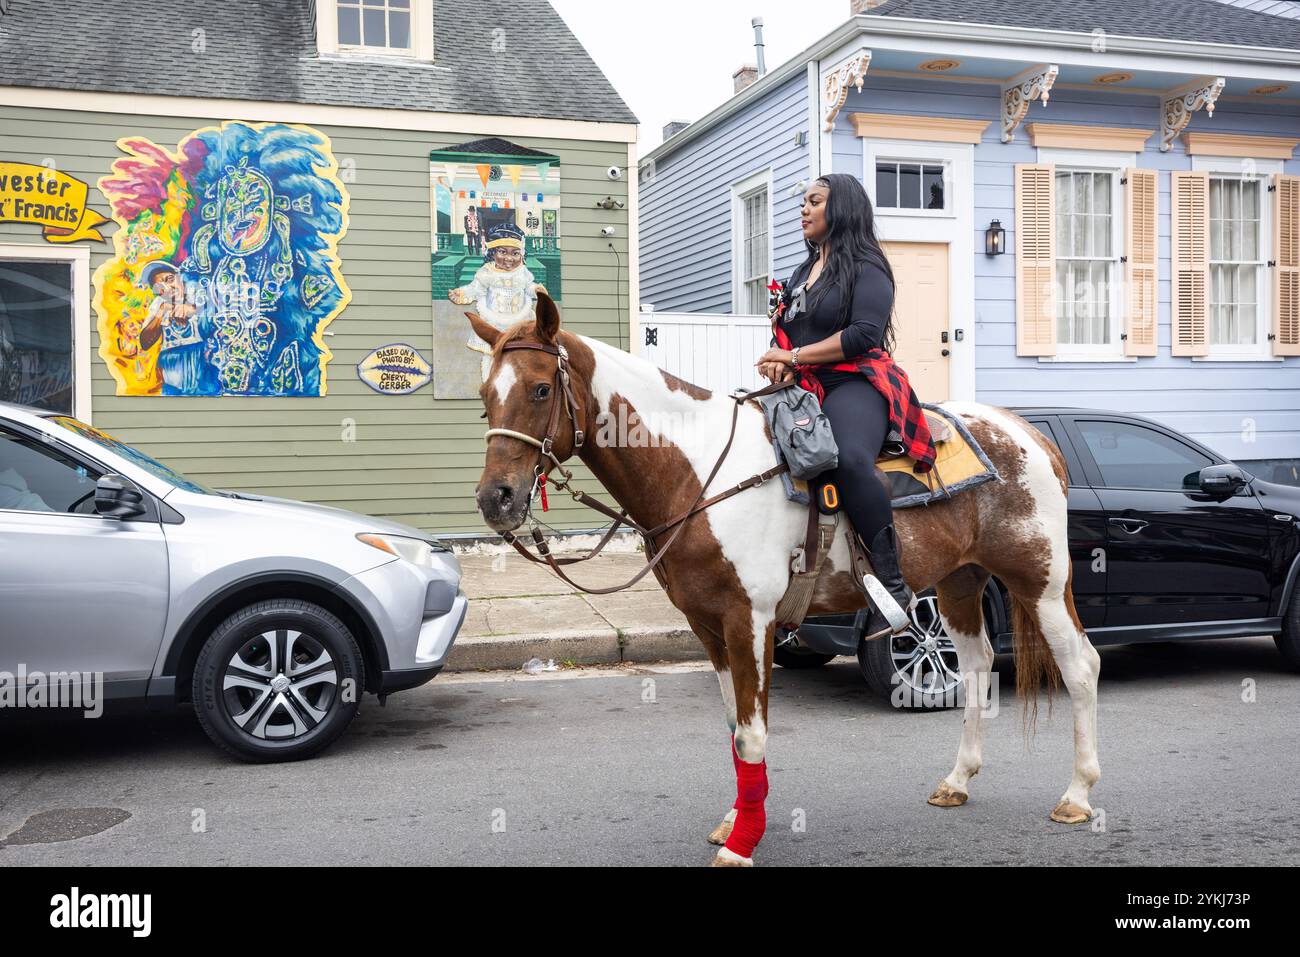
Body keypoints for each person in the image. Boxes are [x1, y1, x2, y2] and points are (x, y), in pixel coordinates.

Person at [755, 173, 935, 630]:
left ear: (842, 210)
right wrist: (782, 364)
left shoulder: (867, 266)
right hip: (804, 387)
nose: (804, 209)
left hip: (854, 382)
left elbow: (862, 336)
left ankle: (891, 581)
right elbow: (792, 338)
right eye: (804, 202)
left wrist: (793, 356)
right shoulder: (802, 272)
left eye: (814, 201)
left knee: (849, 460)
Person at [449, 222, 545, 380]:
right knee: (493, 355)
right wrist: (461, 293)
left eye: (515, 253)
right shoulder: (487, 272)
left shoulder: (522, 272)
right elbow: (475, 289)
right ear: (492, 253)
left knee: (521, 353)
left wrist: (536, 290)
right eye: (502, 252)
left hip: (520, 321)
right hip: (495, 322)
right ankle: (491, 383)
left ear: (521, 255)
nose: (509, 258)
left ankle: (520, 382)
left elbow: (528, 286)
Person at [137, 260, 215, 395]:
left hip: (202, 371)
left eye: (170, 279)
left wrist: (192, 309)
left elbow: (213, 312)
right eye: (160, 287)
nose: (168, 288)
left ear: (180, 277)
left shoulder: (196, 292)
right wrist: (160, 313)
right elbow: (145, 342)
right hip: (171, 379)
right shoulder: (159, 304)